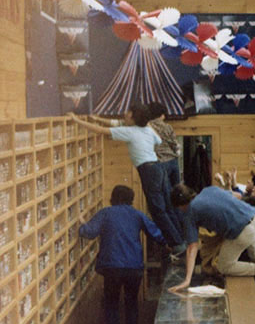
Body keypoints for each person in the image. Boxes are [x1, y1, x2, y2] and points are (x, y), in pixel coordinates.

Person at [69, 106, 185, 252]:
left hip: (148, 170)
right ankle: (180, 240)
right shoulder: (146, 129)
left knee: (158, 210)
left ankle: (176, 244)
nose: (125, 114)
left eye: (128, 112)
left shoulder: (130, 132)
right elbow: (158, 140)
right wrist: (98, 118)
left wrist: (76, 120)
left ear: (133, 117)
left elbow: (101, 130)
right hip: (158, 168)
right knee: (167, 207)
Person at [77, 185, 165, 324]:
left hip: (111, 268)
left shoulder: (106, 213)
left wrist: (81, 224)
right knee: (132, 306)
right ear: (131, 198)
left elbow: (89, 232)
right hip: (134, 268)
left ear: (112, 197)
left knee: (111, 306)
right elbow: (157, 235)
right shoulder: (137, 214)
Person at [168, 184, 255, 292]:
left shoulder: (190, 212)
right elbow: (238, 195)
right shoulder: (209, 190)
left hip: (243, 230)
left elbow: (192, 247)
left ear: (180, 206)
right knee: (249, 236)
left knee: (223, 266)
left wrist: (187, 280)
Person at [147, 102, 181, 188]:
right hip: (173, 160)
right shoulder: (168, 126)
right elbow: (175, 144)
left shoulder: (148, 127)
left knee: (165, 191)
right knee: (177, 190)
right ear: (162, 115)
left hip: (160, 161)